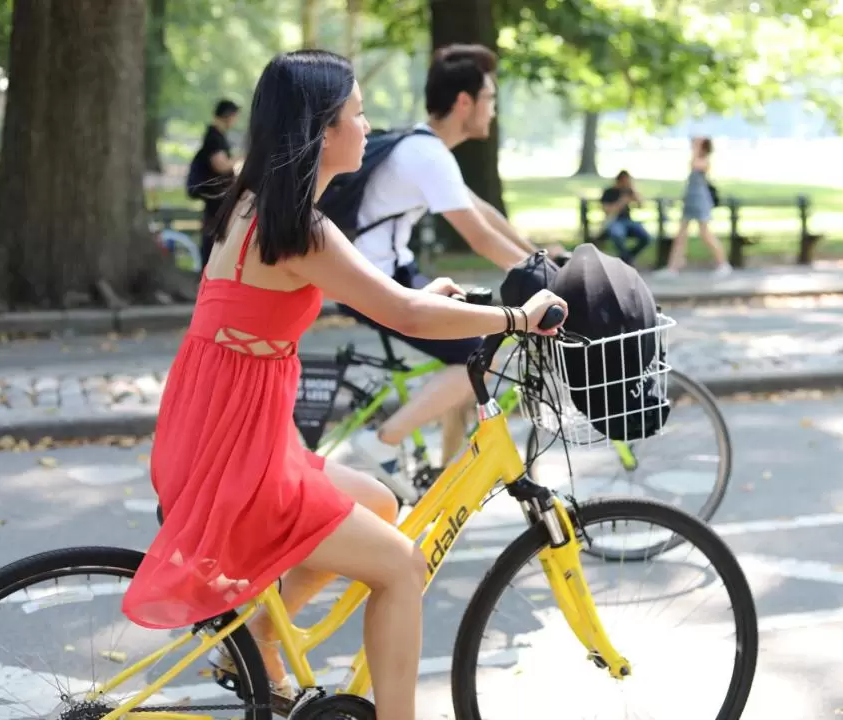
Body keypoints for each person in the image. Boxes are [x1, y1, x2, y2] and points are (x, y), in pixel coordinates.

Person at [120, 50, 567, 720]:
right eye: (358, 113)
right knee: (401, 567)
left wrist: (421, 293)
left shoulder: (253, 207)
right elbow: (406, 315)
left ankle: (256, 639)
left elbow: (349, 297)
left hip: (222, 439)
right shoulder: (300, 224)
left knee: (381, 502)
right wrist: (517, 316)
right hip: (241, 459)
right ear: (324, 130)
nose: (369, 127)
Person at [336, 43, 560, 484]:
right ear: (464, 102)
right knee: (483, 356)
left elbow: (484, 214)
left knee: (474, 345)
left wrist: (541, 261)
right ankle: (384, 439)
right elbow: (477, 236)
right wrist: (548, 284)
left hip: (393, 273)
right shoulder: (428, 154)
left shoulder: (428, 148)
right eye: (490, 99)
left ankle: (447, 476)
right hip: (370, 284)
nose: (493, 110)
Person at [658, 136, 731, 277]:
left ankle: (723, 264)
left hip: (700, 201)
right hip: (690, 200)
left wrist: (697, 148)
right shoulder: (697, 158)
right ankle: (673, 267)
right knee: (681, 236)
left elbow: (694, 164)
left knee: (705, 233)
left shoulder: (705, 161)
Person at [187, 99, 241, 268]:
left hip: (217, 196)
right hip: (214, 196)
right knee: (213, 234)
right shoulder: (214, 137)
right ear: (228, 116)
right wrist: (240, 159)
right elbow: (220, 165)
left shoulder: (217, 136)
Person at [600, 170, 652, 265]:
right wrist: (621, 202)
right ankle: (626, 258)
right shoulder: (609, 192)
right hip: (614, 221)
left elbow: (641, 205)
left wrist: (634, 191)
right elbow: (607, 210)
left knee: (647, 237)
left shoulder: (629, 191)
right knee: (617, 234)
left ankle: (627, 257)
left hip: (628, 221)